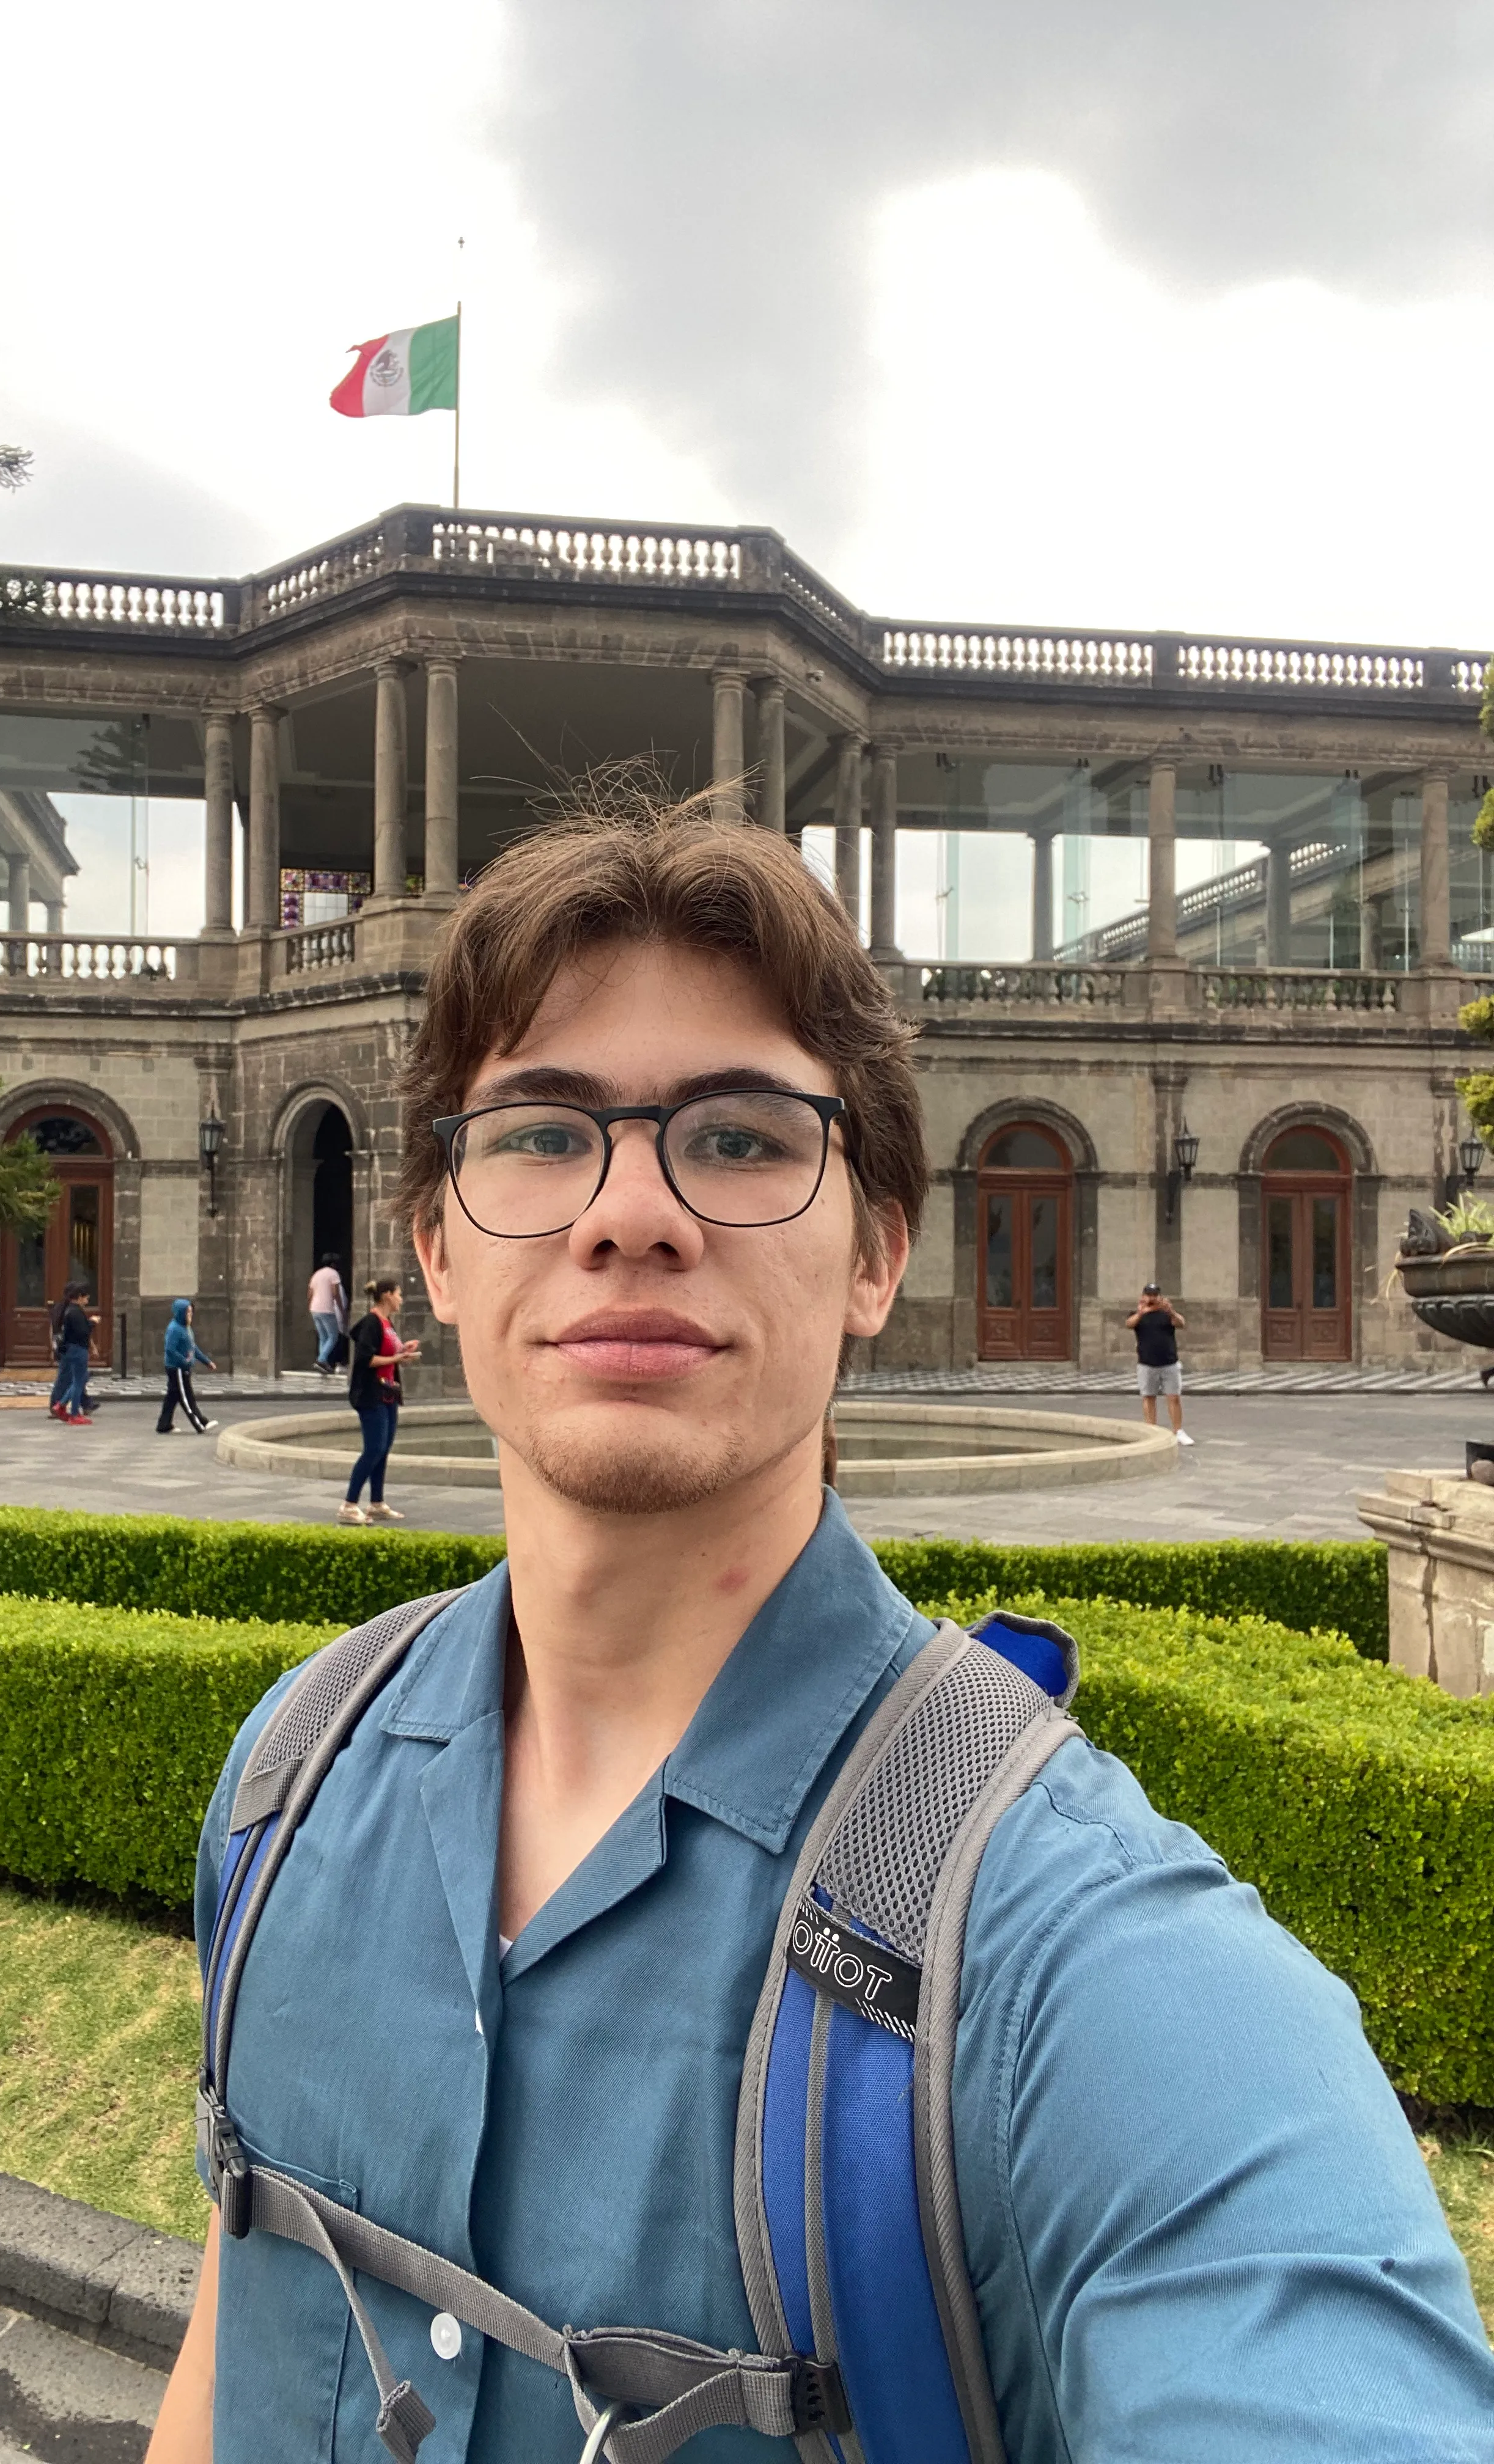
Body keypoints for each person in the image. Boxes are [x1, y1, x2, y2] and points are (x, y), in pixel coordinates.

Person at [148, 807, 1493, 2464]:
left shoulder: (1083, 1968)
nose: (628, 1212)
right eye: (541, 1133)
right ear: (432, 1246)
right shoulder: (292, 1779)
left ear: (876, 1250)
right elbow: (245, 2303)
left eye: (738, 1136)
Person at [337, 1275, 420, 1524]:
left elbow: (386, 1352)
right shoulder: (373, 1323)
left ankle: (377, 1503)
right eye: (398, 1294)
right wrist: (398, 1360)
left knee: (383, 1450)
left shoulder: (387, 1323)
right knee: (373, 1449)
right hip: (371, 1394)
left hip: (388, 1393)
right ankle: (349, 1505)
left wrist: (402, 1350)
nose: (401, 1299)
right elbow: (366, 1359)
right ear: (386, 1295)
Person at [1127, 1280, 1192, 1445]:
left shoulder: (1166, 1314)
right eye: (1149, 1295)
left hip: (1169, 1362)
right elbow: (1129, 1324)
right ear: (1143, 1297)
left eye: (1155, 1295)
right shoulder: (1138, 1314)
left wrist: (1171, 1312)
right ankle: (1152, 1432)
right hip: (1147, 1363)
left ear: (1160, 1297)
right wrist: (1142, 1312)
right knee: (1149, 1397)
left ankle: (1178, 1431)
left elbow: (1181, 1323)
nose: (1152, 1298)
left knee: (1174, 1397)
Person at [157, 1298, 219, 1435]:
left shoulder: (186, 1328)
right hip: (177, 1369)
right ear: (181, 1313)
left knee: (172, 1397)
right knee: (186, 1397)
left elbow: (193, 1348)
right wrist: (184, 1361)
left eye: (191, 1312)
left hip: (182, 1368)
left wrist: (206, 1362)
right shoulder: (174, 1329)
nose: (190, 1315)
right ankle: (201, 1423)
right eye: (188, 1312)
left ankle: (164, 1424)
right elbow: (170, 1350)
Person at [48, 1282, 96, 1426]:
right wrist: (93, 1323)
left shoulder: (67, 1310)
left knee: (76, 1380)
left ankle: (61, 1405)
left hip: (68, 1349)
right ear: (79, 1297)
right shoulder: (75, 1312)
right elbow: (83, 1332)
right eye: (86, 1298)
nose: (87, 1301)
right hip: (77, 1349)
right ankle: (73, 1412)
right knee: (77, 1381)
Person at [308, 1252, 348, 1374]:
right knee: (334, 1336)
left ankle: (323, 1363)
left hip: (315, 1309)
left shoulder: (316, 1274)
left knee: (323, 1337)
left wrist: (311, 1305)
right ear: (333, 1264)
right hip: (327, 1309)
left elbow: (309, 1293)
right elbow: (336, 1293)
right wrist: (341, 1309)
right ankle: (321, 1360)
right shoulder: (333, 1274)